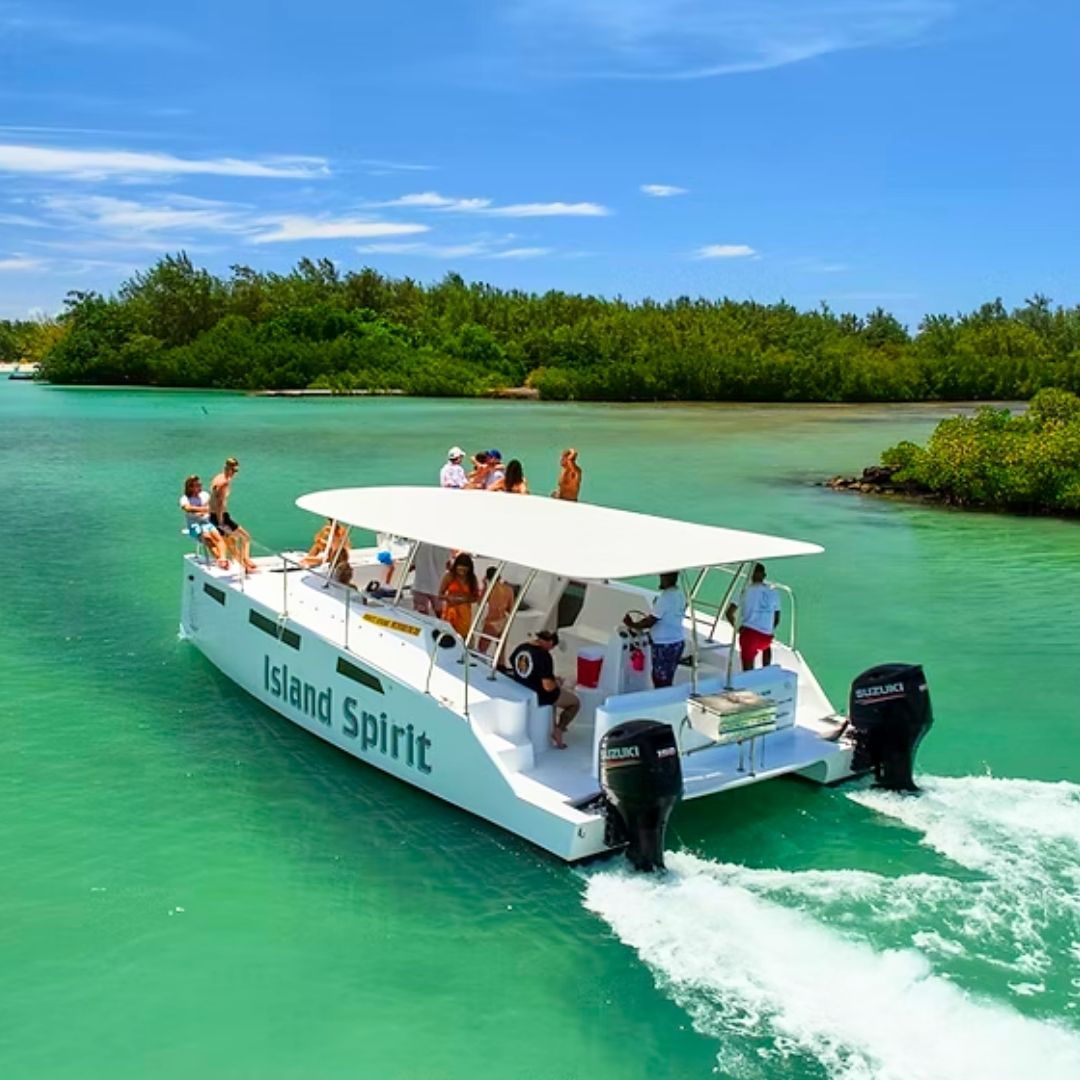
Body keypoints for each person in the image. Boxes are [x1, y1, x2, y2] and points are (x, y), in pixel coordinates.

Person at [507, 631, 580, 749]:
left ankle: (554, 724)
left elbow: (516, 664)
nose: (551, 649)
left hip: (523, 687)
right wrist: (557, 682)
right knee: (575, 703)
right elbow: (548, 686)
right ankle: (559, 730)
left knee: (556, 693)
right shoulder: (544, 656)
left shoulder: (522, 647)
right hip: (541, 695)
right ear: (550, 642)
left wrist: (551, 678)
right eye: (552, 647)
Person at [623, 572, 687, 688]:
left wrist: (632, 624)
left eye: (662, 577)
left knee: (660, 680)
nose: (660, 579)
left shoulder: (666, 597)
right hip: (677, 642)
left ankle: (663, 702)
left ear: (667, 577)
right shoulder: (680, 594)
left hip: (664, 645)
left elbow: (651, 621)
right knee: (667, 677)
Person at [725, 563, 781, 670]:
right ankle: (766, 670)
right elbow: (776, 619)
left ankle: (750, 682)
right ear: (764, 575)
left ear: (751, 575)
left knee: (748, 672)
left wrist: (738, 629)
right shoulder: (774, 593)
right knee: (767, 647)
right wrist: (767, 629)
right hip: (766, 638)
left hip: (749, 636)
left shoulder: (744, 591)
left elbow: (729, 613)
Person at [210, 456, 257, 572]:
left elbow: (212, 499)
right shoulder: (224, 482)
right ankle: (246, 560)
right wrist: (221, 522)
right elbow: (220, 503)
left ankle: (245, 566)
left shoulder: (217, 477)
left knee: (231, 542)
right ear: (230, 469)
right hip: (221, 517)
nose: (235, 474)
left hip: (213, 516)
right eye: (235, 471)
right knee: (246, 537)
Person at [179, 475, 230, 569]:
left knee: (218, 538)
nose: (200, 486)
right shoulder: (185, 498)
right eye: (197, 485)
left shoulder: (205, 495)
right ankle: (220, 560)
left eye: (200, 484)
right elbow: (188, 508)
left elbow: (211, 506)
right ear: (191, 487)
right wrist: (204, 510)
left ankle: (222, 559)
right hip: (194, 525)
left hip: (206, 522)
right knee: (208, 538)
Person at [438, 552, 480, 638]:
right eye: (460, 570)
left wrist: (465, 599)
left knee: (462, 637)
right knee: (448, 635)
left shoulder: (472, 578)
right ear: (455, 567)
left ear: (469, 569)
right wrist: (448, 598)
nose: (462, 573)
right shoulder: (449, 576)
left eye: (465, 570)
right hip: (450, 613)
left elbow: (476, 597)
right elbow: (439, 594)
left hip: (465, 615)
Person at [479, 566, 514, 657]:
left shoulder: (489, 589)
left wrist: (484, 585)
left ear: (487, 577)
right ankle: (500, 668)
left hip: (492, 622)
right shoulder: (509, 589)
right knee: (501, 652)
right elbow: (510, 609)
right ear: (499, 576)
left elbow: (480, 602)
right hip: (503, 621)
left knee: (481, 650)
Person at [412, 542, 450, 614]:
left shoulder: (418, 545)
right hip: (437, 587)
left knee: (421, 617)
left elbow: (411, 566)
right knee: (440, 614)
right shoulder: (445, 547)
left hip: (420, 586)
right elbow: (448, 565)